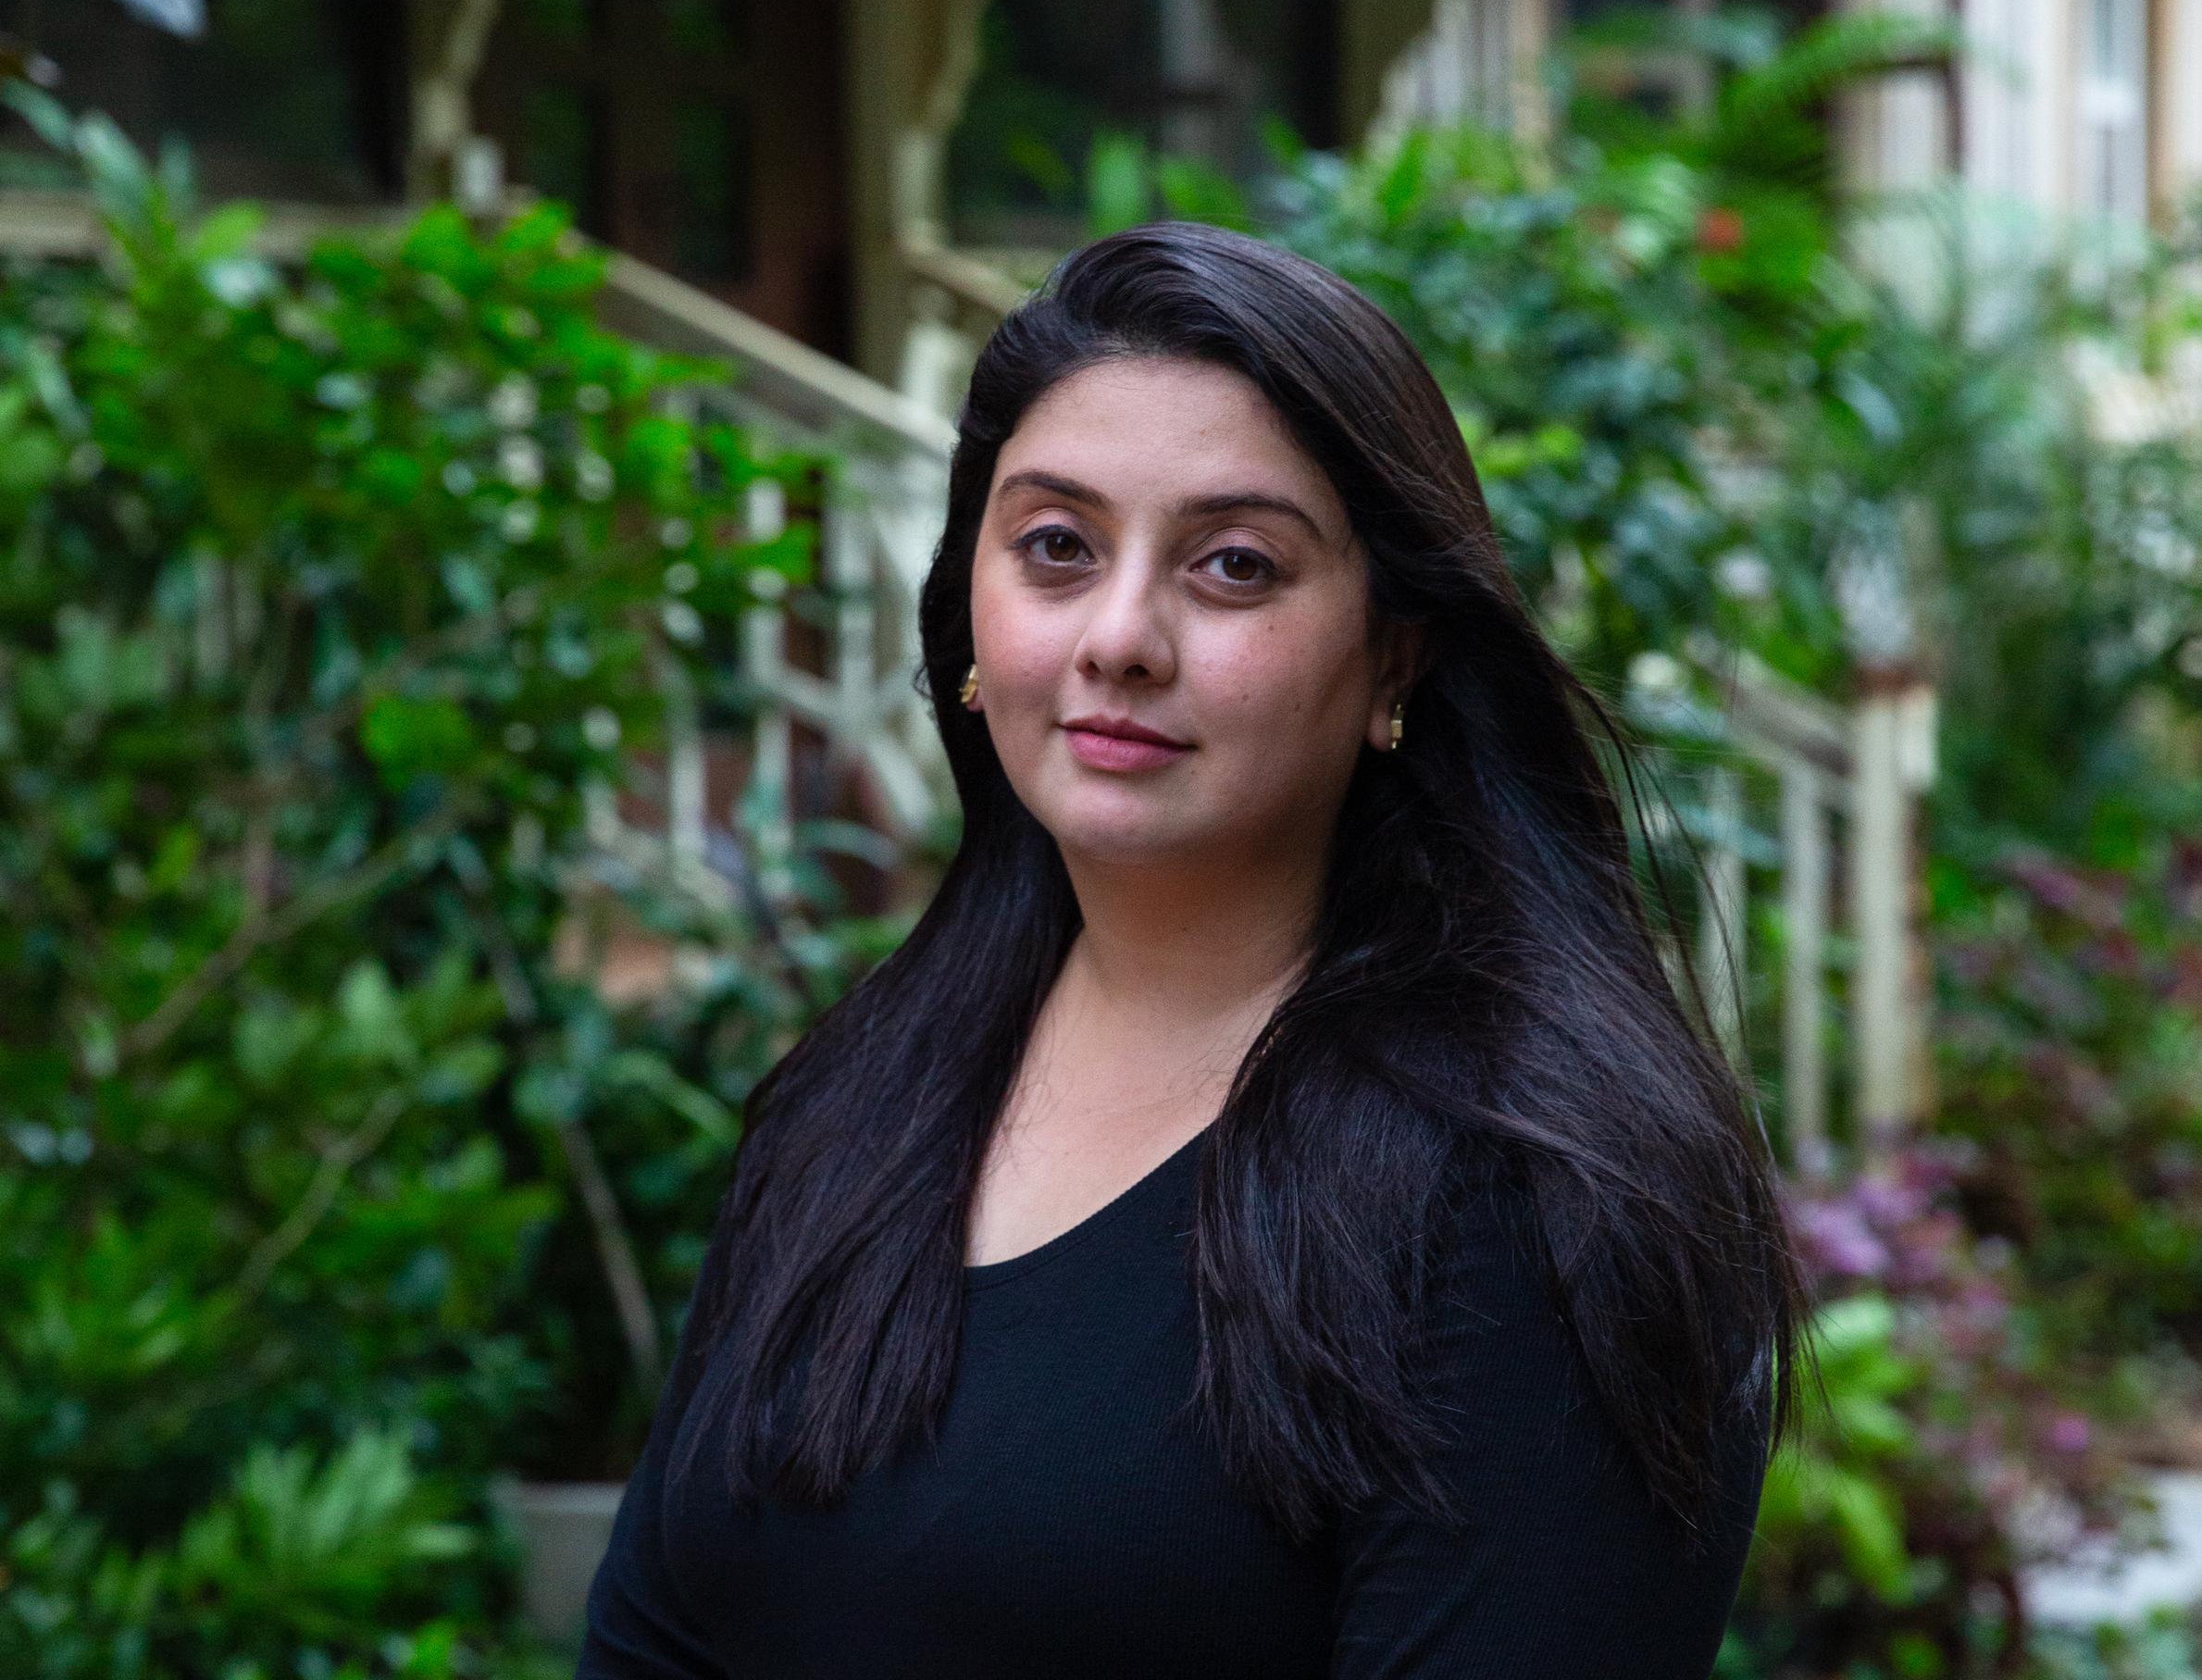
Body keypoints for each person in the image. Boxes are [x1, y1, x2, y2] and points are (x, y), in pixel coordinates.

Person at [579, 222, 1803, 1680]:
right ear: (969, 602)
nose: (1119, 636)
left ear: (1395, 656)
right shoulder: (865, 1087)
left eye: (1233, 566)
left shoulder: (1536, 1188)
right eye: (1055, 548)